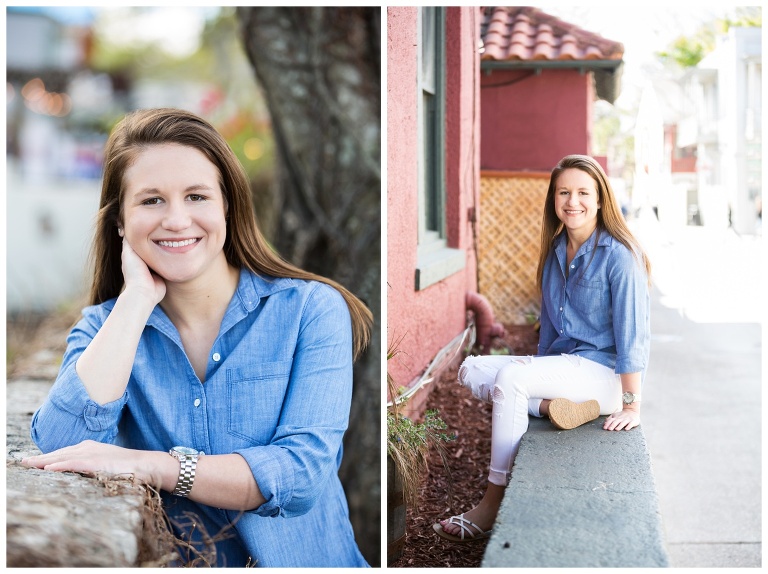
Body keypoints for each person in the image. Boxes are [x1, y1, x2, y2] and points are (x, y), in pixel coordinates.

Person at [23, 108, 373, 567]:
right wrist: (134, 303)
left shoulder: (311, 311)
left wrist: (157, 466)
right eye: (151, 201)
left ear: (226, 204)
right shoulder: (104, 328)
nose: (176, 219)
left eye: (196, 196)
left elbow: (300, 475)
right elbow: (62, 443)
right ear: (121, 223)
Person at [433, 154, 651, 542]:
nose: (573, 201)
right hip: (567, 368)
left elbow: (633, 336)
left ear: (601, 199)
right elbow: (549, 333)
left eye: (584, 192)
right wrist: (542, 380)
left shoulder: (620, 256)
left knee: (512, 379)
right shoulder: (554, 253)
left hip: (604, 376)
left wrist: (633, 403)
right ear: (554, 199)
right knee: (472, 369)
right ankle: (551, 406)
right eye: (564, 192)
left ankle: (492, 502)